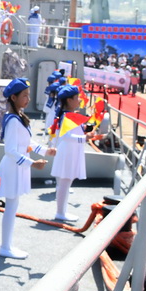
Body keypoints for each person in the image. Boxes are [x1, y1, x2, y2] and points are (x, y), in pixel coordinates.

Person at [0, 78, 55, 259]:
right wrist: (32, 163)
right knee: (11, 207)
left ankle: (7, 245)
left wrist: (45, 151)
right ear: (13, 97)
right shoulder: (13, 120)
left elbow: (28, 143)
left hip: (17, 167)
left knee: (13, 206)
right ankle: (5, 246)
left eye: (28, 95)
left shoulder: (18, 117)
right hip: (13, 168)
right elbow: (11, 151)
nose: (28, 99)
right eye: (24, 95)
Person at [51, 85, 88, 224]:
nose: (79, 100)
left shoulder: (68, 115)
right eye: (76, 98)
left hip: (71, 151)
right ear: (69, 100)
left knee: (65, 183)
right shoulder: (67, 116)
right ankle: (60, 212)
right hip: (68, 152)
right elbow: (66, 136)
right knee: (64, 182)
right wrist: (85, 138)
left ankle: (62, 211)